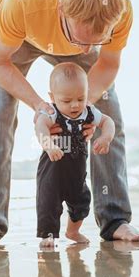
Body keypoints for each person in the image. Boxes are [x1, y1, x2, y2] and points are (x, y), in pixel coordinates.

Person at [0, 0, 139, 248]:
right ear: (62, 10)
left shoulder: (119, 9)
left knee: (107, 107)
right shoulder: (26, 0)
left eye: (96, 41)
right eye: (82, 40)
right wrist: (39, 105)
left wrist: (84, 110)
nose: (86, 51)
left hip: (67, 29)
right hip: (18, 36)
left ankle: (115, 219)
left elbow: (107, 64)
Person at [35, 62, 115, 247]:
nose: (75, 105)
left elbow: (107, 121)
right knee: (48, 203)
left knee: (82, 202)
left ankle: (73, 231)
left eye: (81, 98)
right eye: (67, 100)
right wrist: (49, 145)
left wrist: (106, 137)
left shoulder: (88, 112)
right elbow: (41, 125)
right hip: (52, 171)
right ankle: (48, 236)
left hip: (76, 172)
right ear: (52, 97)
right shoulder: (53, 113)